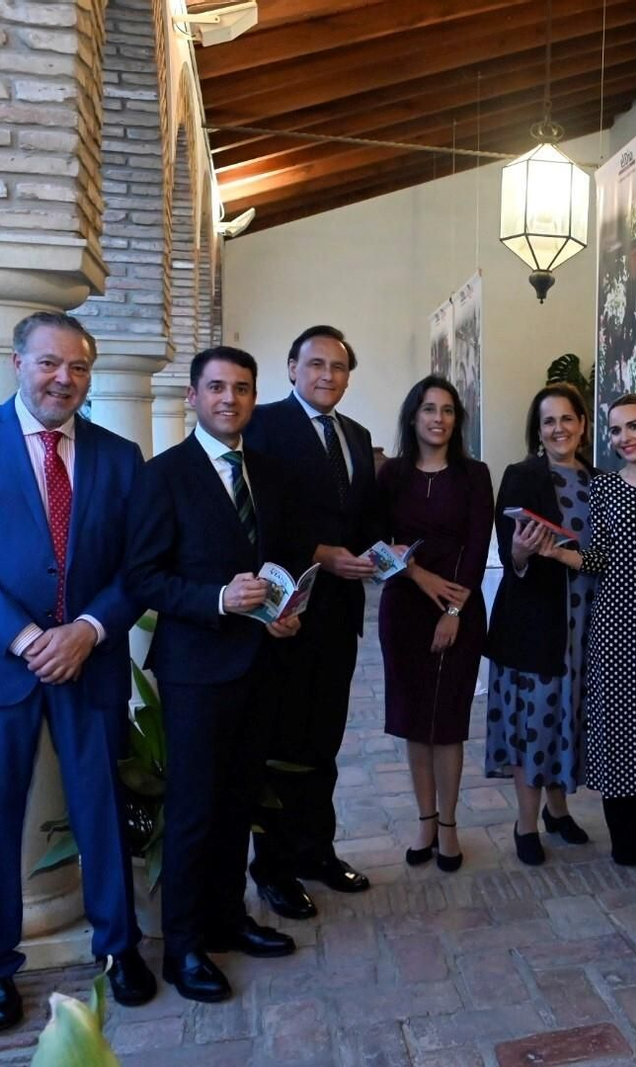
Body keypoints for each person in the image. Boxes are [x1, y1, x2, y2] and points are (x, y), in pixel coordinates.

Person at [0, 311, 152, 1031]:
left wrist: (85, 629)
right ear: (18, 362)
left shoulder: (119, 455)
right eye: (50, 363)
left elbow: (136, 566)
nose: (64, 379)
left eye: (79, 367)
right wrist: (26, 638)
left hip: (89, 659)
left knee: (103, 811)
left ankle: (120, 946)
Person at [124, 346, 308, 1003]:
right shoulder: (163, 475)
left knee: (239, 802)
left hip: (261, 661)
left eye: (242, 388)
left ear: (255, 397)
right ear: (195, 397)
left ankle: (229, 919)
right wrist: (214, 599)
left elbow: (278, 562)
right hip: (197, 669)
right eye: (217, 387)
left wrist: (286, 611)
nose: (230, 398)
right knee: (197, 810)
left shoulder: (269, 472)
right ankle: (183, 948)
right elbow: (142, 577)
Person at [243, 325, 383, 919]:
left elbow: (363, 520)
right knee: (279, 745)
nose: (328, 375)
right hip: (285, 614)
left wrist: (378, 555)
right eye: (316, 364)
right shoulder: (262, 426)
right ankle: (271, 867)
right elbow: (256, 519)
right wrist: (319, 553)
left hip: (341, 614)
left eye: (340, 367)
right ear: (292, 367)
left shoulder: (357, 435)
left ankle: (316, 851)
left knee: (324, 741)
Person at [541, 393, 636, 865]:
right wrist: (558, 552)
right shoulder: (604, 488)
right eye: (616, 430)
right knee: (617, 726)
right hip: (616, 622)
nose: (625, 438)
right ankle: (625, 833)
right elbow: (597, 556)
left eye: (634, 426)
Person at [378, 376, 493, 872]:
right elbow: (378, 543)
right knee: (412, 722)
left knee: (446, 725)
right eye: (429, 408)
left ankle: (448, 825)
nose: (438, 418)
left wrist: (453, 611)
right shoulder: (392, 475)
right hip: (403, 606)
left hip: (459, 609)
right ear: (413, 416)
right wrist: (418, 576)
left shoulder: (474, 474)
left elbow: (477, 544)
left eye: (448, 410)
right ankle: (424, 820)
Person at [484, 383, 596, 865]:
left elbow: (606, 556)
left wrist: (576, 558)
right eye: (548, 421)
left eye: (567, 419)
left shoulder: (600, 481)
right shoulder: (521, 476)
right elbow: (511, 558)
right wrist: (522, 552)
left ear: (582, 424)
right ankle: (525, 824)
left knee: (567, 717)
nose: (558, 429)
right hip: (536, 622)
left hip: (587, 621)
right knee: (536, 721)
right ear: (538, 430)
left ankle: (558, 809)